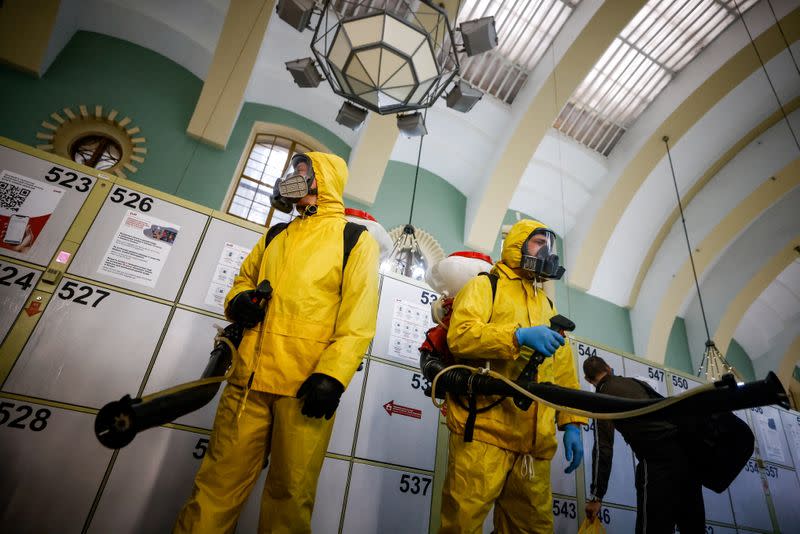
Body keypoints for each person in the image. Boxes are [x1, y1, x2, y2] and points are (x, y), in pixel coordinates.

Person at [174, 152, 379, 533]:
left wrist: (332, 377)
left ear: (324, 180)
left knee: (290, 499)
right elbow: (243, 280)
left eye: (303, 172)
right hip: (247, 383)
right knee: (215, 487)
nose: (292, 177)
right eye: (293, 170)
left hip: (304, 389)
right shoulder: (275, 235)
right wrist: (239, 301)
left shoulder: (355, 240)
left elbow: (359, 319)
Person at [439, 219, 587, 534]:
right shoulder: (485, 286)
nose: (546, 250)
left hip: (533, 447)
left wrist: (572, 424)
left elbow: (562, 368)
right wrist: (517, 337)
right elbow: (461, 337)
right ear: (517, 245)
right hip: (483, 433)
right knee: (461, 526)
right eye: (538, 242)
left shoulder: (547, 305)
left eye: (549, 245)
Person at [583, 355, 705, 534]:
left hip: (658, 463)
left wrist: (596, 495)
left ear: (588, 379)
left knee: (652, 529)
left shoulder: (602, 397)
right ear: (609, 368)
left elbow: (604, 447)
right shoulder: (635, 383)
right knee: (693, 528)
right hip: (687, 460)